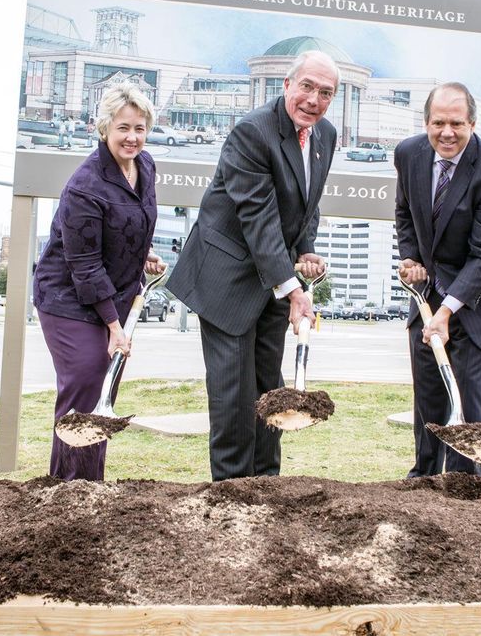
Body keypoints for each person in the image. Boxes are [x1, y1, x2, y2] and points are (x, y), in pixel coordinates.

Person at [167, 50, 340, 482]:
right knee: (232, 396)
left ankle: (267, 485)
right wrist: (293, 289)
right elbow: (258, 218)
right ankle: (231, 494)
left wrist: (305, 249)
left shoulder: (324, 136)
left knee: (270, 389)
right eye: (307, 87)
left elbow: (305, 206)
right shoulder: (252, 133)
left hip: (271, 280)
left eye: (325, 93)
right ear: (287, 84)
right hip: (226, 278)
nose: (314, 100)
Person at [33, 84, 165, 481]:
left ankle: (80, 489)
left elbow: (130, 226)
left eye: (140, 128)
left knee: (101, 393)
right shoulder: (85, 186)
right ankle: (71, 492)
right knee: (86, 386)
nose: (133, 137)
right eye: (124, 128)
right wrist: (113, 326)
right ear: (104, 128)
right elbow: (84, 264)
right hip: (68, 299)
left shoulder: (145, 167)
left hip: (114, 296)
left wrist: (142, 254)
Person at [394, 82, 481, 477]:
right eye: (438, 123)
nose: (446, 133)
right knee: (429, 399)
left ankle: (464, 493)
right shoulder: (409, 155)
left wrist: (447, 312)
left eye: (456, 124)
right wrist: (411, 258)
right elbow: (404, 213)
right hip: (429, 296)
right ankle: (424, 483)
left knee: (466, 408)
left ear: (473, 123)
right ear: (426, 122)